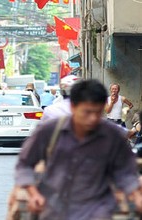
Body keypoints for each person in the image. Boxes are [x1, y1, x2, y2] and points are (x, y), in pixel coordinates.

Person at [12, 79, 142, 219]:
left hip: (98, 208)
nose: (92, 118)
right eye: (87, 112)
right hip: (53, 207)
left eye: (97, 113)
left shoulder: (112, 135)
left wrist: (135, 194)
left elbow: (126, 171)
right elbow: (24, 164)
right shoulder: (49, 131)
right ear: (73, 107)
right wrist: (33, 193)